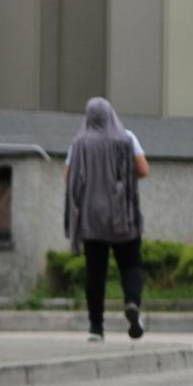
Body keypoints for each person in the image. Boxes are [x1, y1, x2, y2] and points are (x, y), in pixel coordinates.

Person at [63, 96, 150, 342]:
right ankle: (132, 302)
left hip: (92, 217)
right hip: (123, 213)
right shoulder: (127, 138)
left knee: (95, 270)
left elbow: (68, 177)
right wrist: (119, 181)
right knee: (130, 263)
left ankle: (96, 327)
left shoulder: (79, 143)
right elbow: (143, 169)